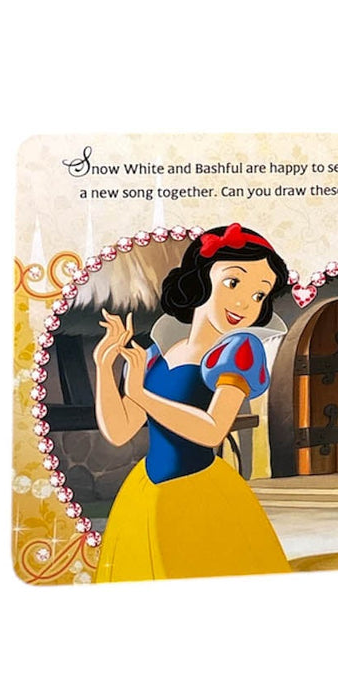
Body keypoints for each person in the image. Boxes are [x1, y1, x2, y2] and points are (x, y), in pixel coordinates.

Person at [94, 223, 292, 581]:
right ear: (202, 279)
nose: (244, 303)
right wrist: (104, 367)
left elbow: (213, 431)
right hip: (147, 493)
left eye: (259, 295)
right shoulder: (158, 354)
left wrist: (141, 394)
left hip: (199, 492)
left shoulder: (239, 351)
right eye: (233, 282)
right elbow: (120, 431)